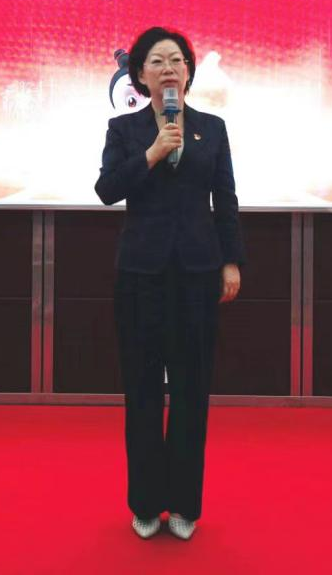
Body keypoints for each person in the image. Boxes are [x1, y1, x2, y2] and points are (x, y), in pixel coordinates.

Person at [94, 26, 245, 541]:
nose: (168, 69)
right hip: (141, 276)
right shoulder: (125, 130)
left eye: (177, 61)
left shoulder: (212, 128)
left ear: (188, 72)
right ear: (139, 73)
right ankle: (145, 502)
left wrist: (231, 261)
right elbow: (107, 189)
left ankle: (183, 504)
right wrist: (153, 152)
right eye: (157, 61)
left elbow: (226, 200)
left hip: (198, 274)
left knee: (190, 390)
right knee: (141, 390)